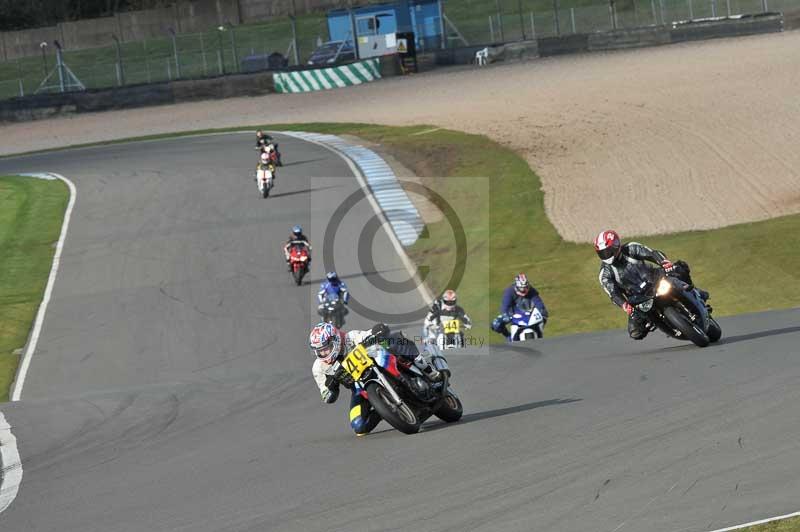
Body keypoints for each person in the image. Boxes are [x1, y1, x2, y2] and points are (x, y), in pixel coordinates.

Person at [309, 322, 441, 436]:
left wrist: (378, 331)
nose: (324, 353)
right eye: (320, 351)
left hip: (376, 366)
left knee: (392, 340)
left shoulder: (350, 337)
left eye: (326, 349)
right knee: (359, 426)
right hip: (358, 387)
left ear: (336, 340)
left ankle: (427, 370)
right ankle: (385, 408)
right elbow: (326, 396)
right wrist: (331, 386)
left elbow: (369, 335)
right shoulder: (319, 368)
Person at [594, 229, 709, 340]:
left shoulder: (630, 248)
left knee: (680, 268)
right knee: (635, 333)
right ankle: (661, 323)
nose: (606, 255)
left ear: (616, 246)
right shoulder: (604, 273)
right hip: (638, 298)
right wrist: (624, 305)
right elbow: (613, 293)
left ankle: (697, 292)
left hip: (656, 278)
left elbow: (652, 254)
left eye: (608, 251)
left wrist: (664, 263)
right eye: (602, 253)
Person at [490, 273, 548, 338]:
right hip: (514, 314)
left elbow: (538, 301)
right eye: (522, 288)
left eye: (526, 287)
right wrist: (506, 315)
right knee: (496, 324)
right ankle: (509, 337)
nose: (524, 290)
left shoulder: (531, 290)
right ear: (517, 286)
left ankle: (540, 336)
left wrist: (542, 310)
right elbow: (504, 307)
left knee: (543, 317)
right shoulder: (509, 292)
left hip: (528, 313)